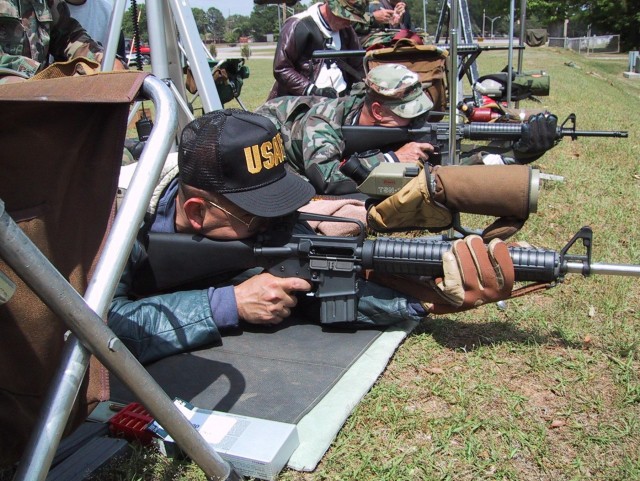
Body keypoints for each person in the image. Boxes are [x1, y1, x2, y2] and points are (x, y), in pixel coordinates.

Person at [108, 109, 516, 364]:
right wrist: (227, 303)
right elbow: (95, 330)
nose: (278, 222)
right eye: (260, 212)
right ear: (197, 213)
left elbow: (323, 289)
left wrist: (422, 296)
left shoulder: (252, 226)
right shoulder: (112, 224)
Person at [256, 63, 559, 195]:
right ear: (377, 111)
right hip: (266, 152)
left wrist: (514, 152)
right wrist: (392, 160)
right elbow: (327, 179)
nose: (417, 124)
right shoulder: (321, 123)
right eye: (407, 116)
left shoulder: (388, 124)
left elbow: (446, 169)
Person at [0, 0, 125, 84]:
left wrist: (99, 58)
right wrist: (42, 73)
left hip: (38, 93)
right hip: (13, 96)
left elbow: (68, 36)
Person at [267, 0, 368, 101]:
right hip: (303, 102)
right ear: (331, 8)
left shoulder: (347, 31)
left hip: (342, 99)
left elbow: (358, 66)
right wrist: (312, 90)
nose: (349, 22)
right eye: (346, 17)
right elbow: (281, 68)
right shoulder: (298, 25)